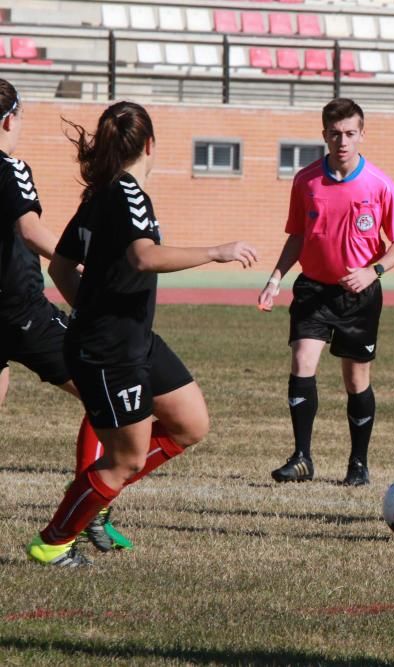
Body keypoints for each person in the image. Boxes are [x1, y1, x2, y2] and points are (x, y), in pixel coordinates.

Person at [26, 100, 257, 567]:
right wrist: (217, 251)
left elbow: (65, 265)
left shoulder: (101, 196)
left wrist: (91, 308)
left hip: (133, 338)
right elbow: (144, 257)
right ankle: (54, 541)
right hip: (111, 349)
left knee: (190, 424)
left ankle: (99, 492)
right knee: (123, 460)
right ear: (151, 144)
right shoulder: (127, 194)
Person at [0, 79, 131, 553]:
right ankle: (93, 508)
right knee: (106, 389)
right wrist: (81, 261)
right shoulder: (10, 166)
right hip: (20, 312)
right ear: (10, 119)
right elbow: (30, 229)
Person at [258, 98, 394, 486]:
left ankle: (358, 464)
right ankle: (302, 457)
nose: (342, 141)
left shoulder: (380, 184)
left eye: (350, 133)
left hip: (358, 296)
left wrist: (372, 272)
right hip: (312, 291)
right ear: (324, 134)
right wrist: (275, 279)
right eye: (335, 133)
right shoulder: (306, 181)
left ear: (362, 134)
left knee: (356, 381)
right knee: (301, 362)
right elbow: (297, 236)